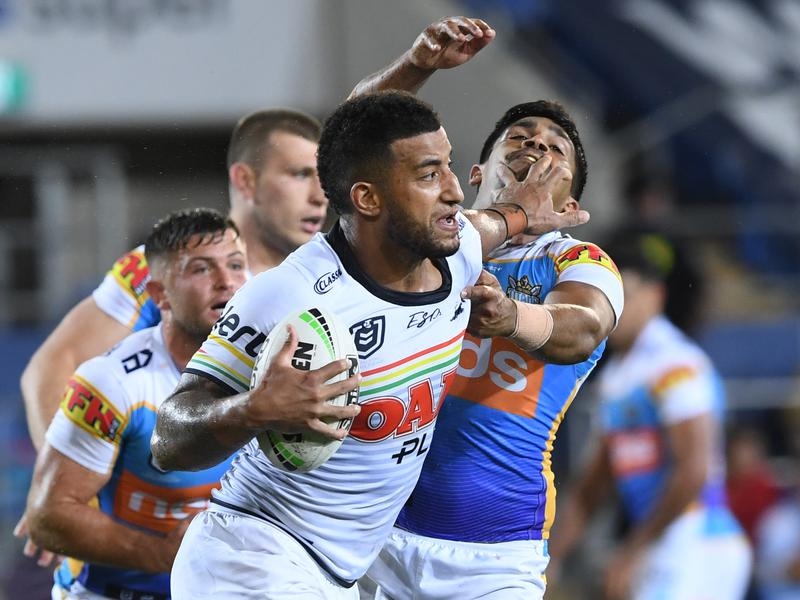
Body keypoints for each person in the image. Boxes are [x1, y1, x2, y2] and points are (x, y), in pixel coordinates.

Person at [150, 90, 584, 599]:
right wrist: (253, 409)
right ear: (368, 199)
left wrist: (524, 209)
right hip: (250, 557)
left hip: (338, 577)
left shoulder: (459, 249)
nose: (453, 191)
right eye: (428, 175)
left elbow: (495, 221)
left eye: (448, 165)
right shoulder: (289, 293)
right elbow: (167, 439)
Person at [350, 17, 623, 599]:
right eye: (520, 138)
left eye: (555, 149)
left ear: (570, 205)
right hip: (372, 536)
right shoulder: (428, 240)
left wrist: (511, 319)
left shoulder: (577, 259)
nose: (536, 147)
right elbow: (351, 144)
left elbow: (585, 326)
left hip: (493, 556)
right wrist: (416, 66)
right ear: (475, 173)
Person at [13, 109, 327, 575]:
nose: (320, 195)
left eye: (323, 176)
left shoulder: (318, 282)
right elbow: (52, 366)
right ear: (245, 181)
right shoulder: (160, 269)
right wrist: (65, 483)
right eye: (300, 175)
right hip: (143, 534)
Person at [24, 208, 249, 600]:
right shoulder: (112, 382)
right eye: (201, 269)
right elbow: (48, 516)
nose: (226, 282)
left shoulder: (271, 365)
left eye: (235, 265)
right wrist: (162, 554)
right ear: (160, 294)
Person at [547, 233, 752, 600]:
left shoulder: (677, 364)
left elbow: (694, 468)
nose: (614, 308)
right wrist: (551, 560)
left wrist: (632, 550)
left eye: (625, 295)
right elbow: (593, 485)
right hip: (664, 544)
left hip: (698, 542)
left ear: (655, 296)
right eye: (608, 295)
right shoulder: (617, 376)